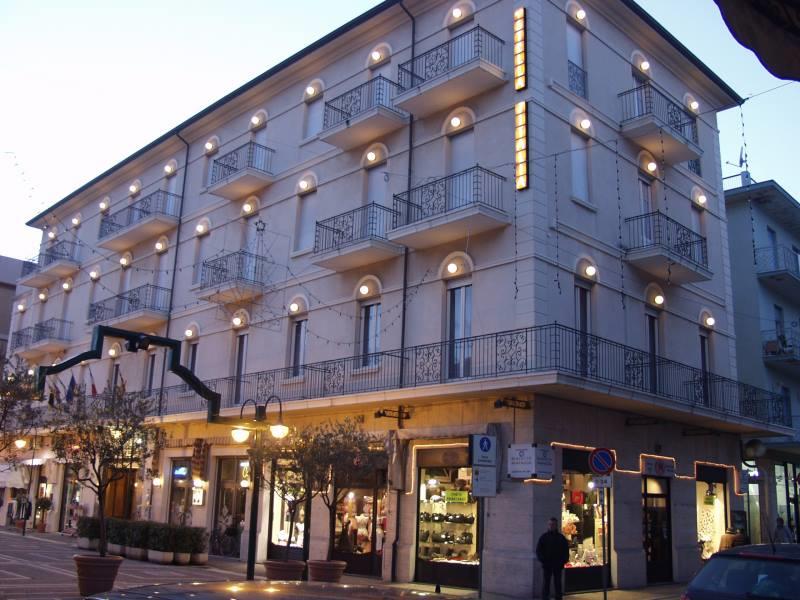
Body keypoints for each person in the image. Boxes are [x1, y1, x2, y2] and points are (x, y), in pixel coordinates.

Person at [537, 517, 570, 600]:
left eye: (553, 524)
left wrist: (563, 561)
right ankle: (545, 598)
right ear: (548, 525)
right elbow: (539, 550)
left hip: (558, 564)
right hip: (547, 564)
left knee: (558, 583)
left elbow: (565, 550)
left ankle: (558, 598)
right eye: (550, 524)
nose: (551, 526)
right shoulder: (544, 537)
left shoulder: (561, 538)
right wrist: (543, 560)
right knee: (546, 583)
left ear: (556, 525)